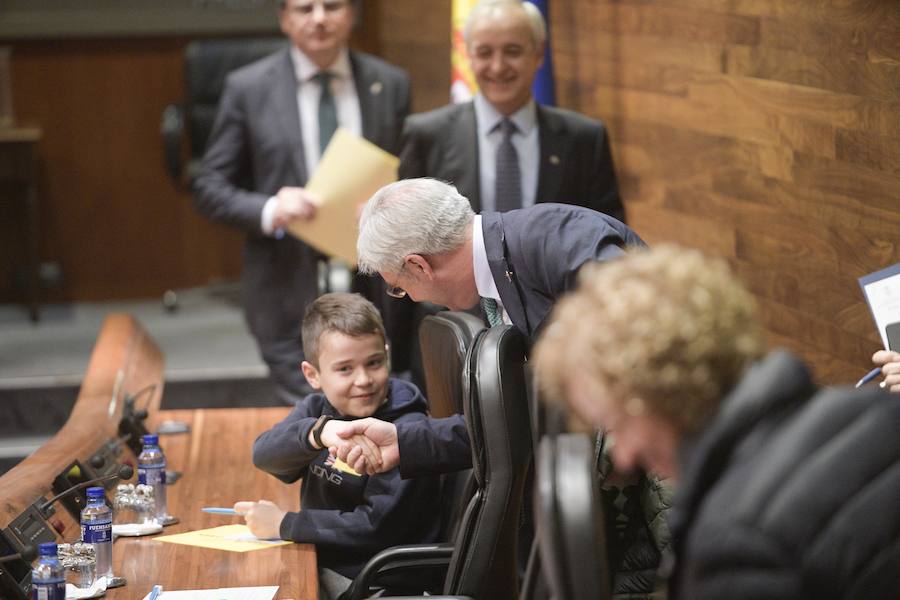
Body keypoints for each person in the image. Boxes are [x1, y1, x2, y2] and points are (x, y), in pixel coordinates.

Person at [532, 245, 900, 599]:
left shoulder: (732, 548)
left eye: (618, 424)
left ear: (660, 392)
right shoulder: (874, 412)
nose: (624, 455)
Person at [333, 176, 643, 474]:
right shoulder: (491, 283)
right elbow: (515, 414)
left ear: (418, 265)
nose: (410, 297)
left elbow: (648, 345)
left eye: (398, 286)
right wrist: (405, 442)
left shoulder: (558, 239)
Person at [193, 0, 411, 405]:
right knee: (311, 421)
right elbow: (209, 186)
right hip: (286, 284)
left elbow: (408, 171)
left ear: (352, 15)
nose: (319, 18)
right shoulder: (250, 87)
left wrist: (389, 203)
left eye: (332, 5)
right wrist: (271, 209)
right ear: (285, 19)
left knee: (379, 408)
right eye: (304, 7)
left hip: (378, 283)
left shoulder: (389, 83)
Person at [234, 292, 440, 600]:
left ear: (387, 355)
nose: (364, 380)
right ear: (313, 375)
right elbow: (264, 454)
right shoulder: (319, 409)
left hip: (373, 580)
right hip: (324, 558)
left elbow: (376, 527)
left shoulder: (404, 432)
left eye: (374, 363)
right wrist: (317, 433)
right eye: (345, 369)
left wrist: (285, 524)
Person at [400, 0, 623, 221]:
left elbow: (610, 238)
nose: (498, 67)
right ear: (468, 55)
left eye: (512, 51)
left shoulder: (584, 139)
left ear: (538, 54)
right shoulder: (426, 136)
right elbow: (408, 233)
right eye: (485, 52)